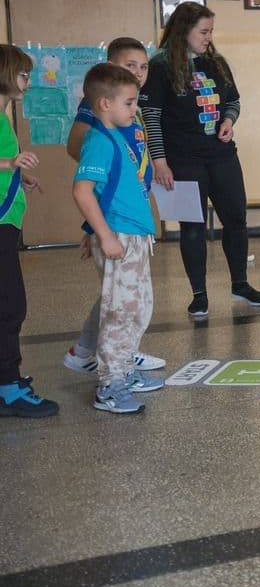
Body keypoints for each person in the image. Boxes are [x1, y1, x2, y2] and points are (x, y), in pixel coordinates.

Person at [140, 2, 260, 319]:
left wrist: (228, 120)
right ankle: (199, 295)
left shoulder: (217, 63)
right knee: (193, 227)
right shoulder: (159, 67)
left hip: (221, 156)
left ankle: (240, 283)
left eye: (211, 31)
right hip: (182, 159)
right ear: (184, 31)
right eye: (204, 31)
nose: (209, 37)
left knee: (236, 219)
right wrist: (160, 161)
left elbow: (233, 101)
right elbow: (151, 118)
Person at [62, 38, 165, 374]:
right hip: (117, 223)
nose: (138, 72)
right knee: (120, 302)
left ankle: (108, 352)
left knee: (124, 298)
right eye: (129, 66)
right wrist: (98, 228)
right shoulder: (101, 122)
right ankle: (115, 368)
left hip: (131, 220)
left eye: (143, 65)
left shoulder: (129, 116)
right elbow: (87, 177)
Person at [0, 45, 57, 418]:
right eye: (23, 74)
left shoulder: (4, 112)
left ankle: (7, 378)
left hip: (8, 217)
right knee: (9, 305)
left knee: (9, 303)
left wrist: (19, 173)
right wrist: (9, 161)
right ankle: (7, 388)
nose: (28, 81)